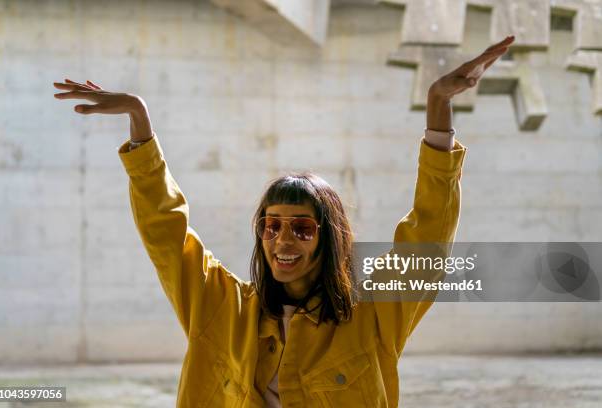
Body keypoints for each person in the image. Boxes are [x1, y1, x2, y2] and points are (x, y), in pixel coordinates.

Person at [54, 35, 514, 407]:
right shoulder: (219, 307)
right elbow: (166, 231)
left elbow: (426, 238)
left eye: (302, 227)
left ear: (329, 238)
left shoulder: (372, 317)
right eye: (271, 226)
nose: (283, 240)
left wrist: (438, 107)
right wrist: (140, 123)